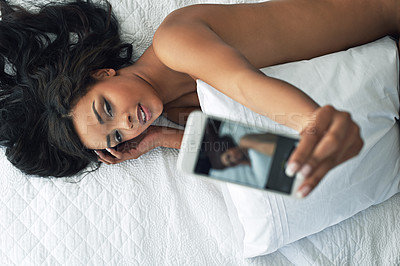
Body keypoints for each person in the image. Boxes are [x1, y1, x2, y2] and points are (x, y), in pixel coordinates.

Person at [0, 0, 397, 197]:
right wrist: (161, 138)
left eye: (107, 108)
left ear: (102, 73)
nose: (127, 123)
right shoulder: (175, 112)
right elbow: (268, 166)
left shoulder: (174, 41)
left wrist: (311, 124)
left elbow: (244, 85)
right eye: (116, 137)